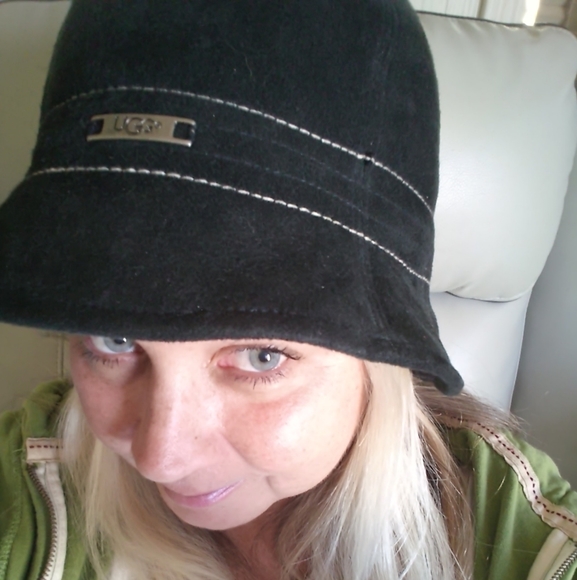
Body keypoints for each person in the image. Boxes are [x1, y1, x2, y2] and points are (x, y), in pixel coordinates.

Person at [0, 1, 576, 579]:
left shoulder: (527, 545)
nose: (160, 458)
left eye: (261, 356)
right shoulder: (27, 493)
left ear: (376, 356)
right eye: (114, 338)